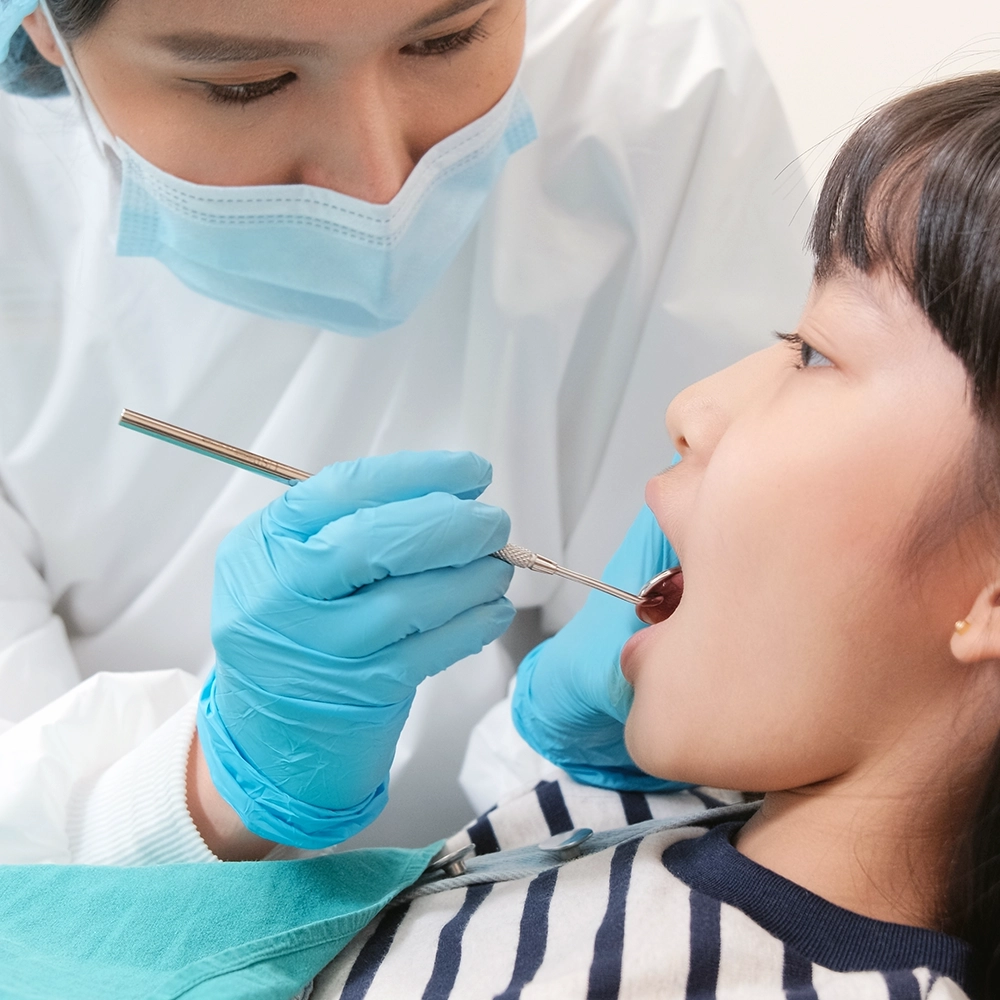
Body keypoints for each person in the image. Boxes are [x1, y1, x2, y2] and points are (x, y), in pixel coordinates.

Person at [5, 69, 997, 1000]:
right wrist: (548, 767)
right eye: (244, 78)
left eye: (812, 352)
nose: (692, 408)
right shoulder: (656, 832)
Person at [0, 0, 810, 862]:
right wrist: (214, 791)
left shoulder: (656, 78)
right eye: (247, 85)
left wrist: (601, 734)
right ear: (43, 25)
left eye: (447, 39)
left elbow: (737, 731)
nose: (381, 185)